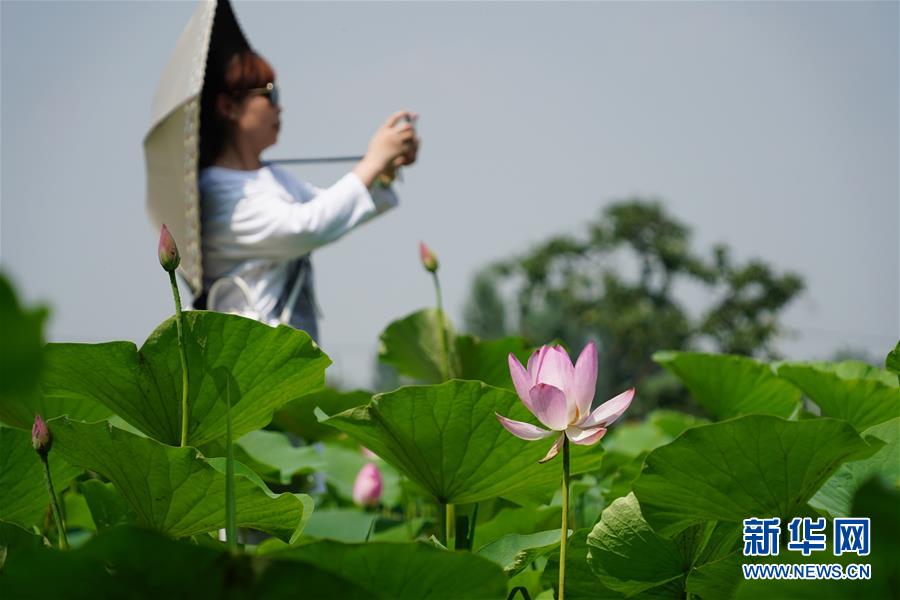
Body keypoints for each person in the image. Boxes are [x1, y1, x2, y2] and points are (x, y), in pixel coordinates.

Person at [196, 49, 418, 342]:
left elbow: (332, 207)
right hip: (242, 354)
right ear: (228, 106)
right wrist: (373, 162)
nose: (280, 108)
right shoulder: (217, 191)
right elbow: (308, 226)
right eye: (269, 95)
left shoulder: (270, 176)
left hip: (278, 348)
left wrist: (384, 168)